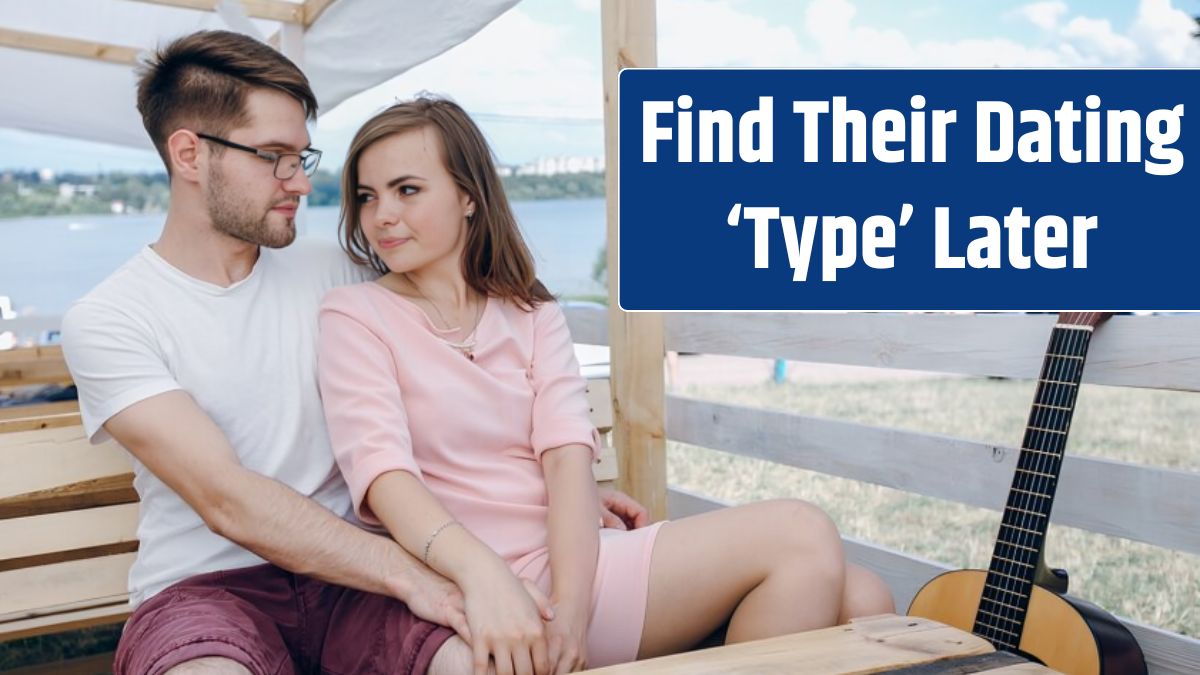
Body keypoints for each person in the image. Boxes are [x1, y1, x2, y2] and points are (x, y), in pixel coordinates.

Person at [60, 30, 648, 675]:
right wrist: (418, 578)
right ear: (190, 154)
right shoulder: (109, 319)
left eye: (302, 158)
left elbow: (459, 353)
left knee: (491, 667)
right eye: (274, 157)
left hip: (356, 588)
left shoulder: (340, 271)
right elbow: (228, 500)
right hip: (210, 591)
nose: (300, 183)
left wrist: (546, 489)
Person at [316, 97, 896, 675]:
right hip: (475, 582)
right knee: (802, 533)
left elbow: (568, 463)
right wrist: (500, 583)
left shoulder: (531, 312)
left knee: (864, 599)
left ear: (469, 195)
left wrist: (571, 609)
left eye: (406, 190)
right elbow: (384, 478)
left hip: (574, 568)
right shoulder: (355, 315)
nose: (382, 215)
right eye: (367, 197)